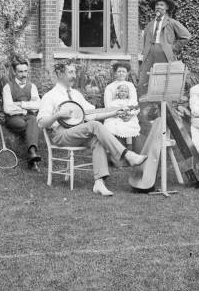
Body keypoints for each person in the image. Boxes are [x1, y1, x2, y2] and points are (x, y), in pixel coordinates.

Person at [37, 61, 148, 196]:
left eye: (75, 72)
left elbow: (94, 113)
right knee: (94, 126)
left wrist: (115, 112)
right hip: (61, 134)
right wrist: (58, 114)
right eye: (70, 72)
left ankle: (99, 183)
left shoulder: (76, 94)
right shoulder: (51, 96)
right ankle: (128, 155)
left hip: (78, 132)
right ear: (60, 74)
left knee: (97, 139)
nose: (75, 76)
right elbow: (41, 123)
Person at [138, 0, 191, 96]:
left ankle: (165, 110)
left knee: (165, 83)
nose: (158, 7)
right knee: (143, 82)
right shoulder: (149, 24)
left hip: (164, 54)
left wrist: (173, 48)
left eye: (161, 5)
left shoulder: (171, 22)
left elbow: (186, 36)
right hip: (149, 54)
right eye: (157, 5)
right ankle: (146, 109)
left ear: (166, 7)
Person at [1, 56, 41, 170]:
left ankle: (32, 154)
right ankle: (32, 158)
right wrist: (27, 107)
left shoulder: (32, 86)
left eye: (25, 71)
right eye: (20, 72)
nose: (24, 74)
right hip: (13, 118)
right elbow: (8, 109)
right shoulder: (8, 87)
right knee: (27, 125)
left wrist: (19, 104)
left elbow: (38, 105)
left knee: (33, 119)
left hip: (29, 117)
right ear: (14, 72)